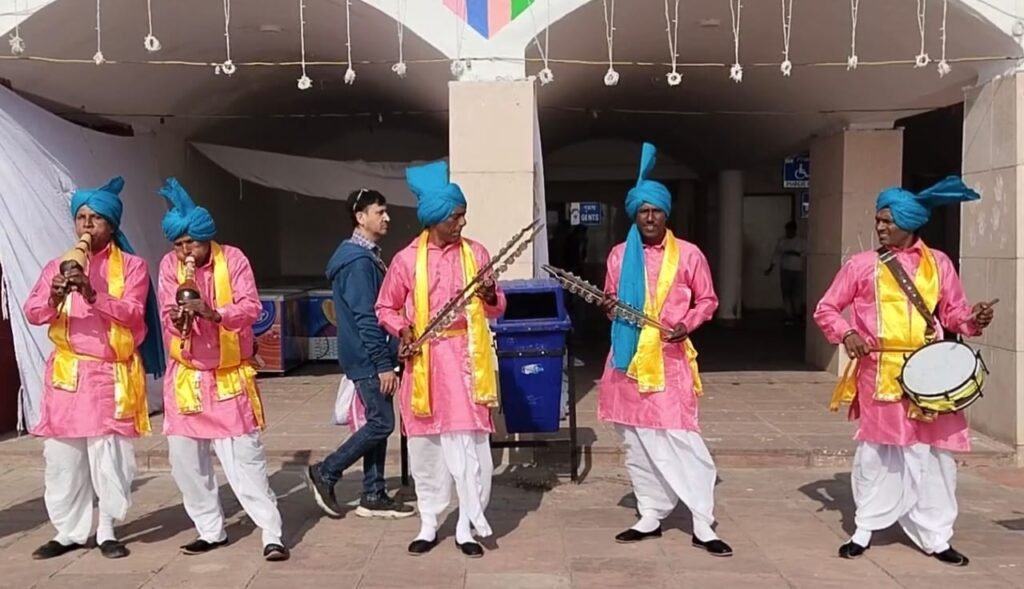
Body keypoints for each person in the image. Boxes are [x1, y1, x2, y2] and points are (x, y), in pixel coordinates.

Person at [813, 176, 994, 566]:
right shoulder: (861, 265)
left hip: (931, 375)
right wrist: (847, 334)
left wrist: (973, 319)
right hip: (880, 370)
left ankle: (936, 536)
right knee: (877, 454)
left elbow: (954, 314)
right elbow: (826, 308)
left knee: (935, 458)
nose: (879, 227)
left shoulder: (939, 263)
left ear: (909, 223)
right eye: (878, 220)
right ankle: (864, 528)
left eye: (887, 221)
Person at [599, 143, 733, 557]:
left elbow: (707, 300)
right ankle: (650, 514)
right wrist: (609, 307)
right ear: (634, 215)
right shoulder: (619, 255)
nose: (650, 217)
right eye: (643, 211)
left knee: (681, 438)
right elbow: (610, 297)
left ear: (666, 213)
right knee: (636, 441)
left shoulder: (689, 254)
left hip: (669, 360)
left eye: (656, 210)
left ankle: (702, 521)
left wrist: (686, 324)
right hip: (626, 360)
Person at [23, 176, 165, 560]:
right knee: (63, 459)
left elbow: (133, 314)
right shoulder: (57, 265)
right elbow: (32, 312)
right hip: (67, 374)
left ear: (112, 226)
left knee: (109, 459)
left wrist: (91, 293)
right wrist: (53, 297)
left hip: (109, 374)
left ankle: (107, 530)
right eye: (81, 217)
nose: (86, 225)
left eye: (95, 218)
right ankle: (69, 532)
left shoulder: (132, 267)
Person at [375, 160, 505, 558]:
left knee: (472, 449)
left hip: (467, 365)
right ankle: (429, 522)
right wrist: (404, 330)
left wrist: (489, 295)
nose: (462, 223)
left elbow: (498, 306)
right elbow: (385, 307)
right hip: (426, 366)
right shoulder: (405, 260)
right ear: (434, 219)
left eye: (463, 215)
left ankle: (467, 525)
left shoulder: (476, 253)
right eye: (455, 217)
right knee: (427, 449)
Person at [155, 178, 288, 561]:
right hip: (187, 375)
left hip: (229, 374)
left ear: (206, 238)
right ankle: (210, 530)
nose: (185, 252)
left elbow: (251, 307)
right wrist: (179, 319)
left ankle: (271, 533)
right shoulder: (169, 266)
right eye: (178, 245)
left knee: (246, 461)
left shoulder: (234, 259)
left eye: (191, 244)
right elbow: (165, 312)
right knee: (186, 464)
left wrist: (213, 313)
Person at [305, 189, 414, 519]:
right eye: (380, 212)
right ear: (360, 217)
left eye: (386, 211)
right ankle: (326, 471)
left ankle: (373, 492)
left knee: (377, 421)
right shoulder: (357, 262)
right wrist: (382, 363)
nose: (387, 218)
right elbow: (366, 316)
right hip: (367, 356)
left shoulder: (365, 257)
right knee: (381, 423)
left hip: (371, 354)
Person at [764, 221, 805, 325]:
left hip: (798, 270)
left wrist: (794, 253)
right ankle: (789, 315)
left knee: (797, 293)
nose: (788, 232)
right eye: (787, 230)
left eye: (790, 230)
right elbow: (776, 255)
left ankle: (798, 313)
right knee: (786, 293)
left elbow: (806, 253)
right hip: (785, 269)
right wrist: (770, 268)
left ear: (794, 231)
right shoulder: (782, 241)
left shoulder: (801, 241)